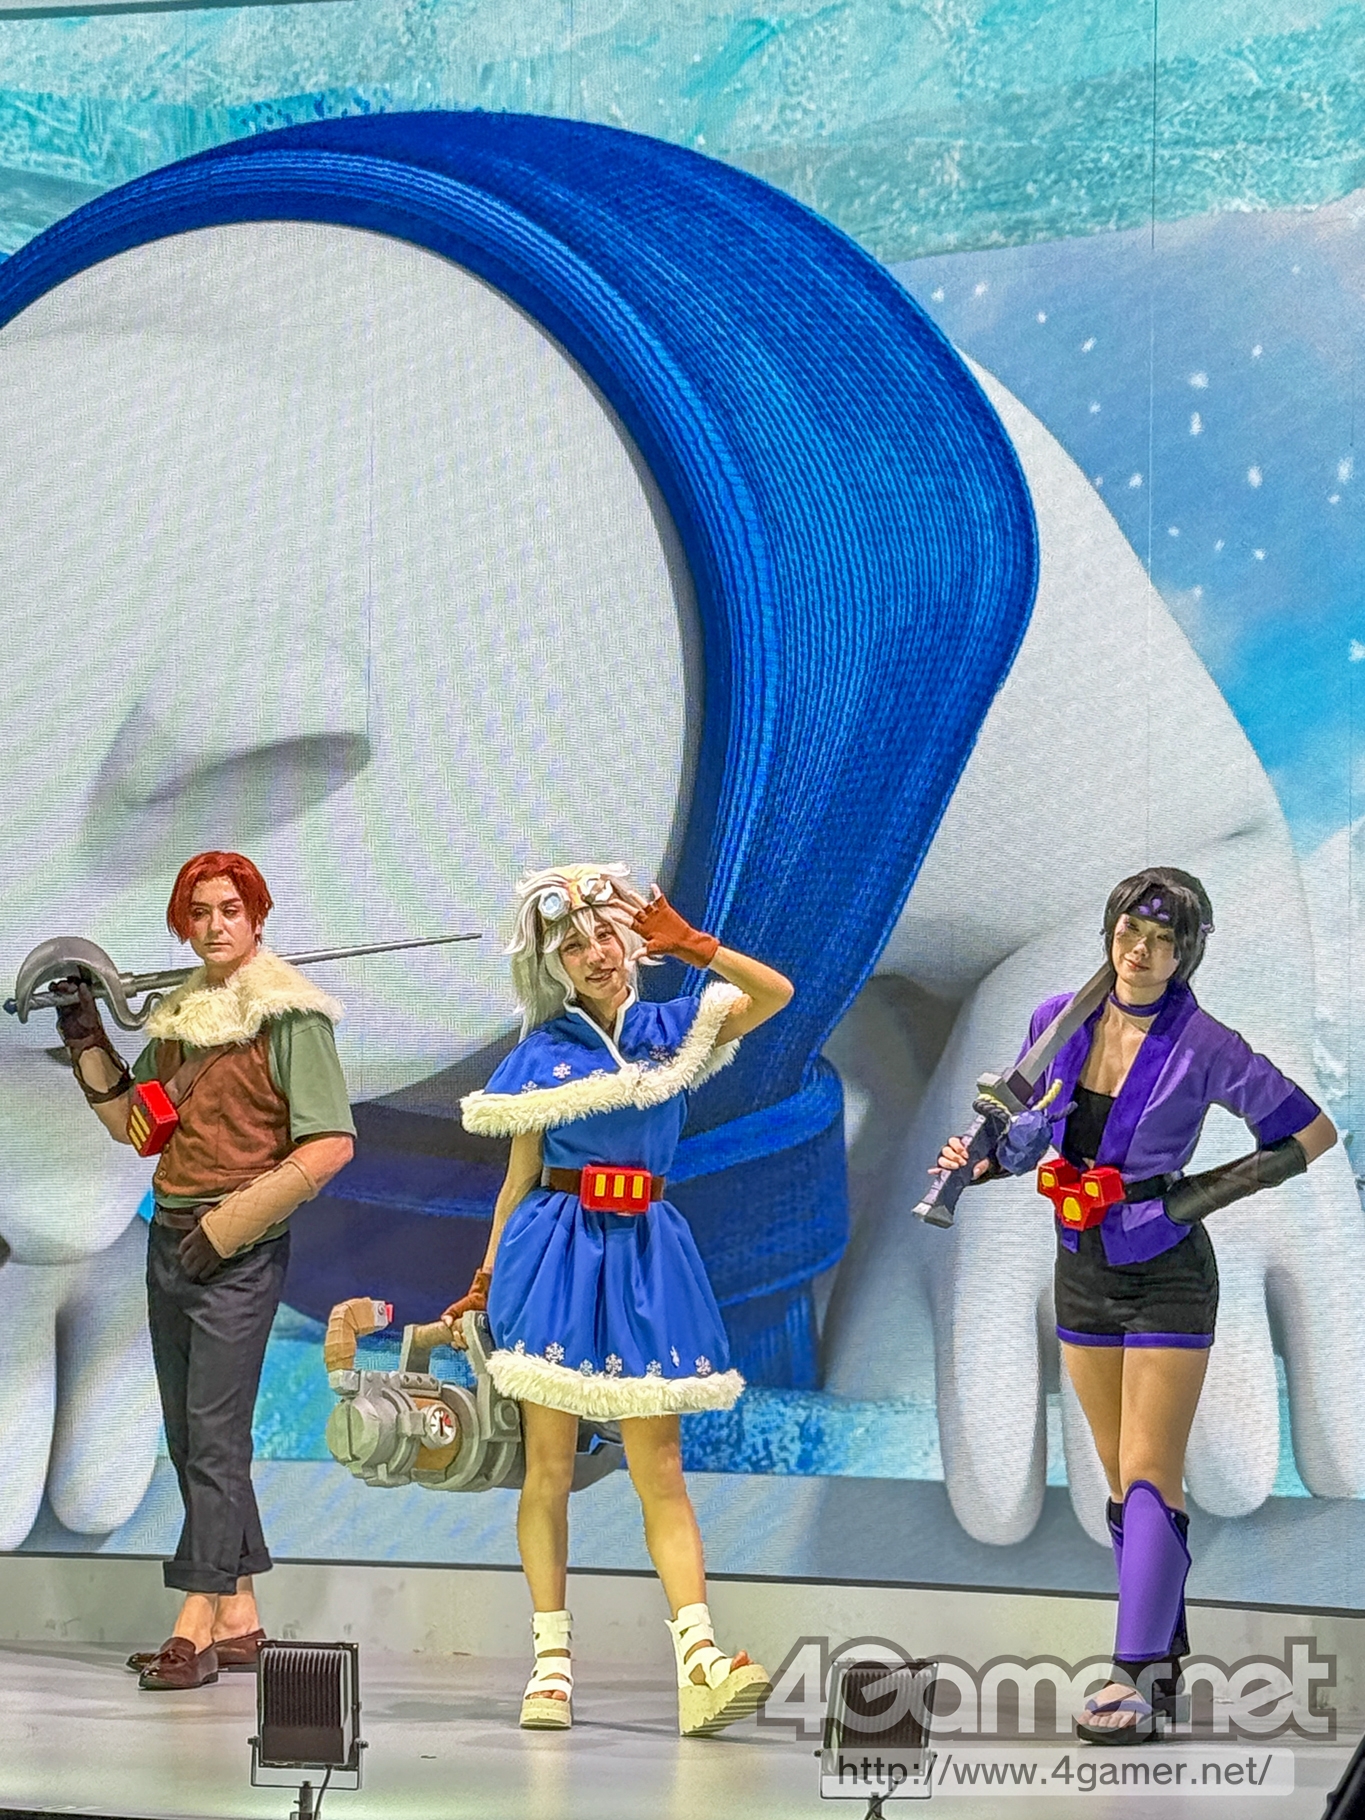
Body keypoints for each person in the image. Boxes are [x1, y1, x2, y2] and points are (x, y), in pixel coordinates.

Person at [934, 866, 1336, 1744]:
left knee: (1151, 1472)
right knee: (1122, 1481)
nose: (1140, 950)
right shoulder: (1058, 1020)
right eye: (1128, 931)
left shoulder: (1206, 1044)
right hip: (1078, 1262)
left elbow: (1309, 1132)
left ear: (1186, 953)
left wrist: (1186, 1199)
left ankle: (1132, 1673)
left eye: (1160, 939)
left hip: (1165, 1270)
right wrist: (981, 1163)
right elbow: (1032, 1138)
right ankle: (1161, 1669)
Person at [444, 863, 793, 1736]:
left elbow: (775, 993)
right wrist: (484, 1281)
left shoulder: (673, 1027)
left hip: (645, 1254)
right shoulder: (539, 1055)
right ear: (553, 966)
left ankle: (699, 1663)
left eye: (605, 935)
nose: (596, 953)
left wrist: (695, 945)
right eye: (573, 946)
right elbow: (518, 1179)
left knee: (659, 1468)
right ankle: (550, 1669)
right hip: (555, 1251)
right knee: (549, 1467)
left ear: (631, 942)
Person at [56, 850, 356, 1691]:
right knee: (194, 1439)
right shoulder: (181, 1018)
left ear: (256, 916)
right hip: (170, 1240)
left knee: (214, 1441)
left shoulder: (292, 1017)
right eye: (200, 912)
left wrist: (228, 1229)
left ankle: (194, 1624)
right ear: (183, 925)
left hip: (238, 1251)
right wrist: (87, 1040)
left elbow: (329, 1145)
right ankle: (241, 1618)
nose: (215, 925)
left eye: (230, 909)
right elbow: (137, 1126)